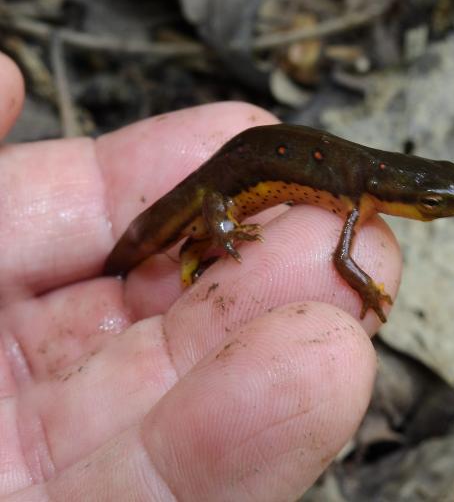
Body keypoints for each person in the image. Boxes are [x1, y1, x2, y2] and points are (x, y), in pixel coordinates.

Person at [0, 53, 400, 500]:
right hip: (222, 187)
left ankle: (191, 250)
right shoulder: (357, 199)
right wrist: (367, 289)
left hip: (237, 174)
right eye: (431, 206)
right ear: (401, 198)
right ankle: (183, 248)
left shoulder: (358, 193)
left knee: (198, 228)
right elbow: (341, 261)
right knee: (199, 221)